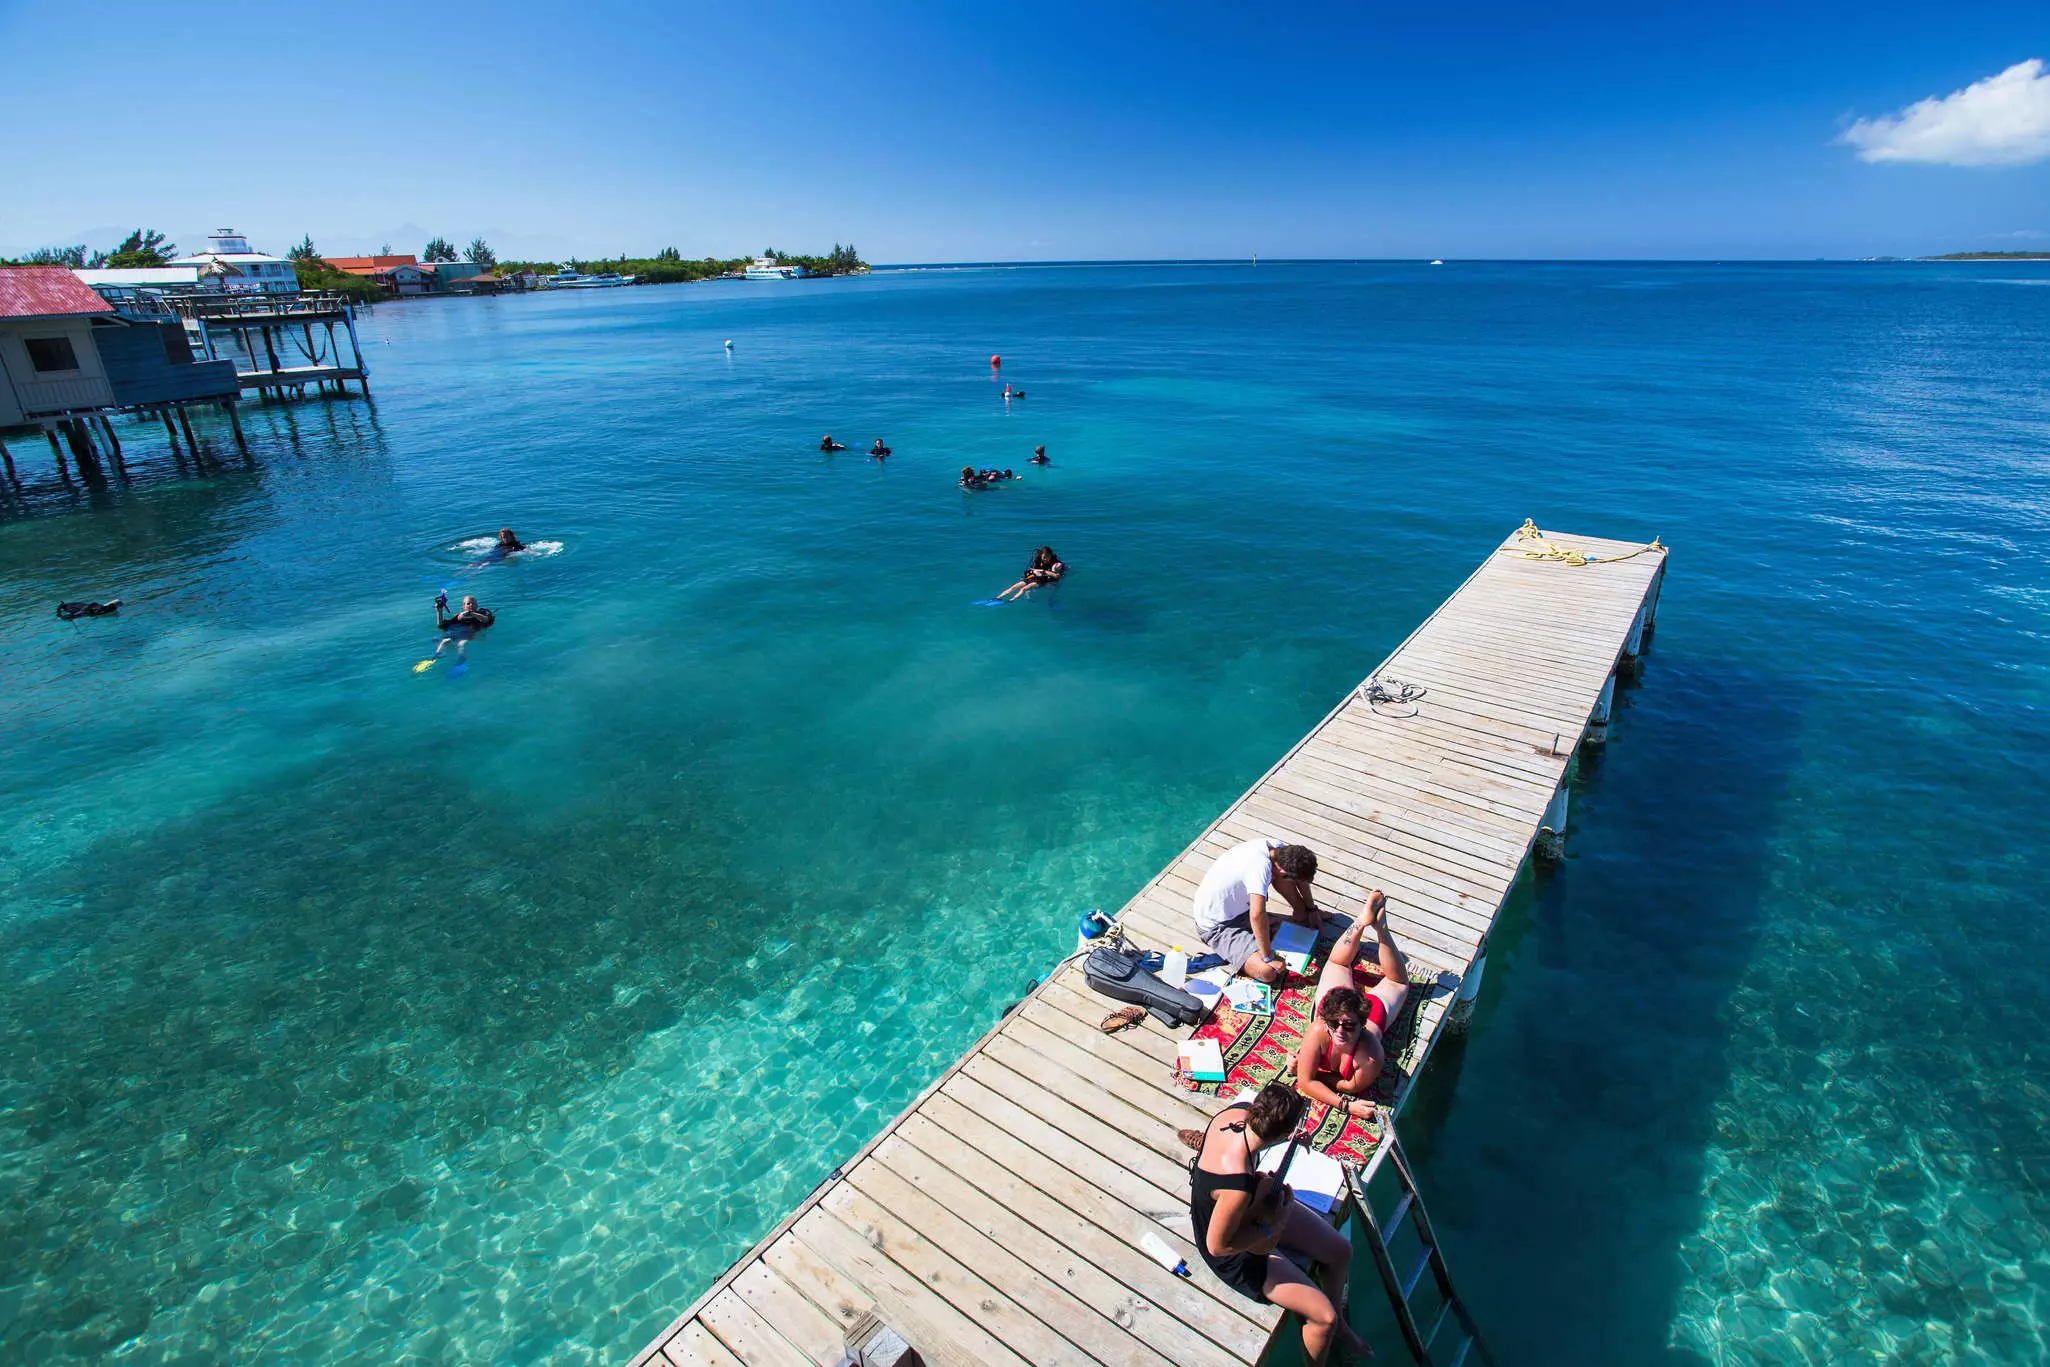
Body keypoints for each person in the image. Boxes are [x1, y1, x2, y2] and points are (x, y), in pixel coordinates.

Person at [1189, 1082, 1362, 1362]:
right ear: (1282, 1132)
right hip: (1234, 1252)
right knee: (1323, 1319)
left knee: (1341, 1251)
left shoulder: (1238, 1114)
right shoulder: (1237, 1185)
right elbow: (1217, 1246)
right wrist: (1271, 1227)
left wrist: (1293, 1141)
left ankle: (1342, 1320)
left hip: (1253, 1205)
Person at [1295, 890, 1408, 1123]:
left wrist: (1313, 1072)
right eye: (1334, 1024)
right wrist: (1342, 1100)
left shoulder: (1371, 1056)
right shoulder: (1320, 1029)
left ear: (1360, 1025)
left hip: (1374, 1013)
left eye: (1347, 1026)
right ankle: (1361, 921)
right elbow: (1307, 1081)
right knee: (1337, 963)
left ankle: (1381, 931)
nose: (1339, 1031)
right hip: (1338, 1005)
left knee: (1398, 982)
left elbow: (1345, 1086)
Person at [1192, 837, 1330, 984]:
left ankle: (1302, 913)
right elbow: (1257, 915)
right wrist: (1268, 957)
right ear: (1283, 870)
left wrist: (1311, 909)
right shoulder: (1259, 868)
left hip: (1239, 910)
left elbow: (1301, 880)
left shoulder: (1279, 851)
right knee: (1267, 972)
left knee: (1283, 878)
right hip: (1219, 926)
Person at [430, 592, 495, 663]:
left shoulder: (482, 612)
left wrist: (471, 613)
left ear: (477, 605)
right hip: (460, 633)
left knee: (462, 644)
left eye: (473, 603)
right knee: (445, 641)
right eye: (468, 603)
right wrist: (439, 611)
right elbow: (441, 626)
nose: (471, 605)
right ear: (464, 606)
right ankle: (437, 656)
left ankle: (461, 662)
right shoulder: (459, 617)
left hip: (474, 635)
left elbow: (487, 620)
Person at [996, 545, 1064, 600]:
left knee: (1025, 588)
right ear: (1041, 556)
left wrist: (1043, 571)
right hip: (1034, 577)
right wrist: (1035, 571)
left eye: (1047, 557)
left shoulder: (1056, 564)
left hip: (1044, 580)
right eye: (1044, 557)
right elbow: (1032, 569)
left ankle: (1011, 600)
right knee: (1014, 587)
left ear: (1051, 555)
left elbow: (1057, 577)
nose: (1045, 559)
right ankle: (997, 598)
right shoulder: (1037, 560)